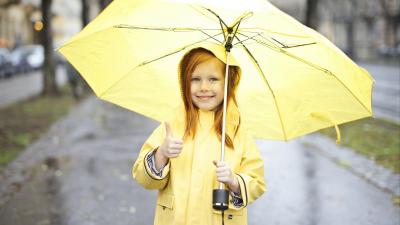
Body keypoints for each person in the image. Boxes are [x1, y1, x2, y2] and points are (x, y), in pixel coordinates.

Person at [132, 46, 266, 225]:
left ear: (228, 82)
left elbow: (257, 182)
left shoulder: (237, 132)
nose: (204, 87)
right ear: (184, 83)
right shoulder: (172, 126)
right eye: (195, 79)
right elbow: (143, 177)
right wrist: (161, 154)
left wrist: (234, 181)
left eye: (213, 79)